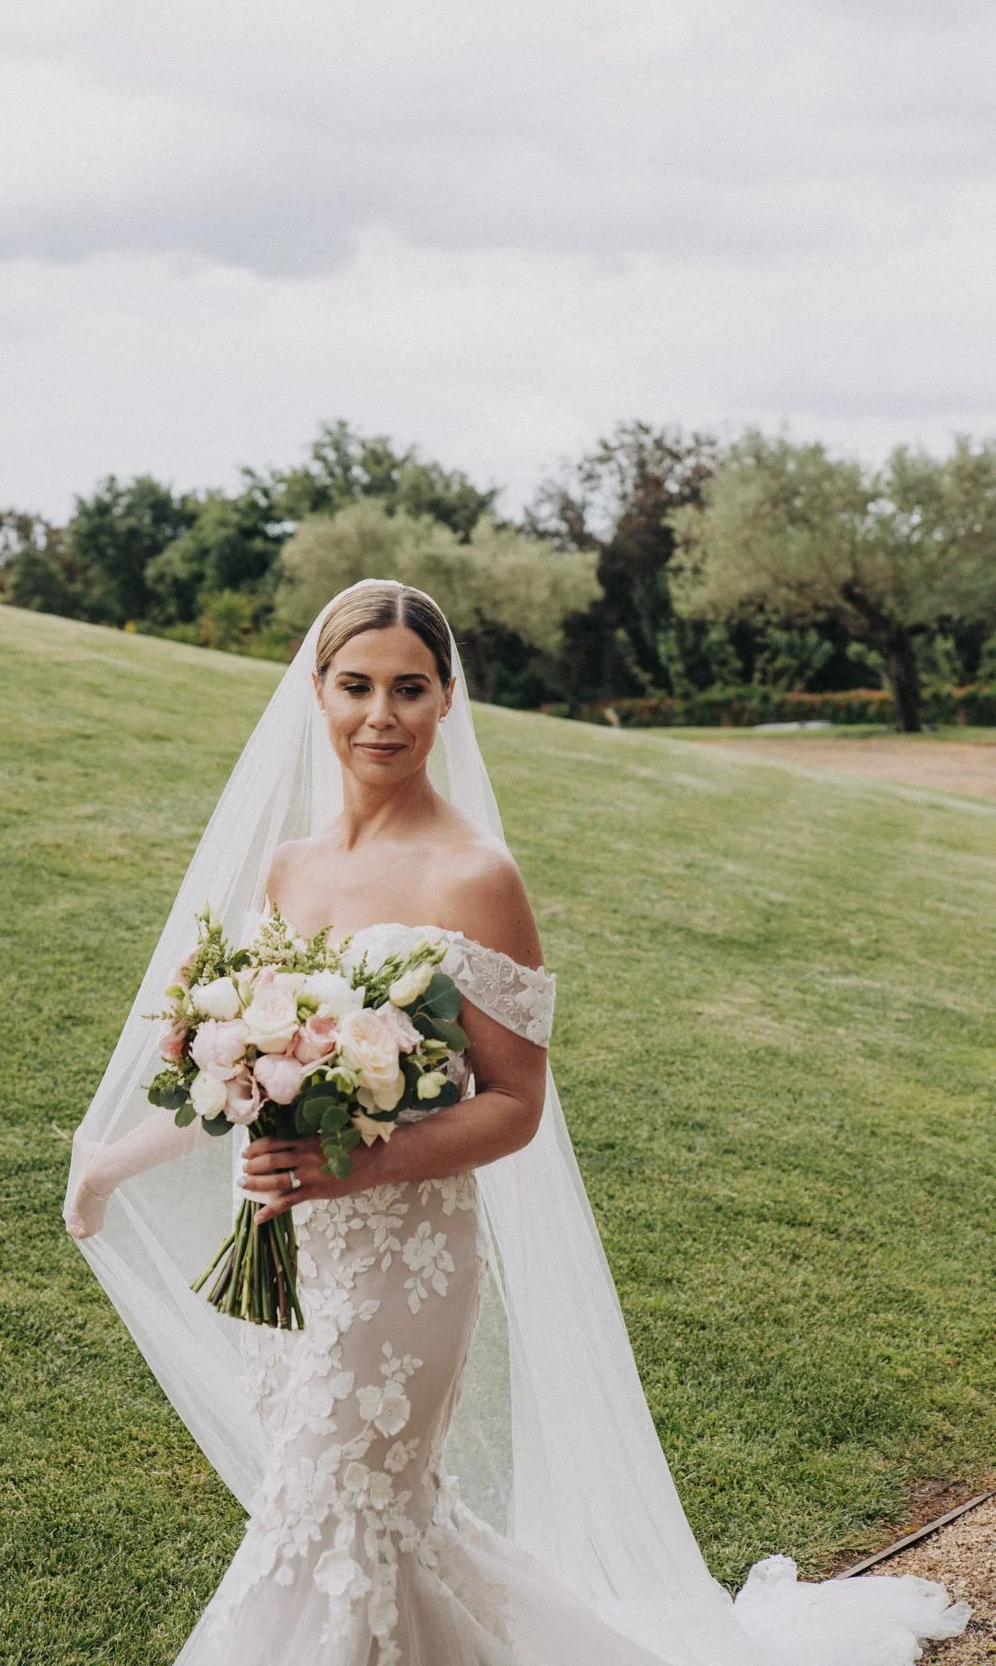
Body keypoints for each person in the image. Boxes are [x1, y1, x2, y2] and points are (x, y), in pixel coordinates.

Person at [64, 581, 968, 1666]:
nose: (380, 715)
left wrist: (351, 1168)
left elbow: (515, 1104)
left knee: (333, 1512)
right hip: (291, 1252)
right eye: (356, 686)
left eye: (410, 687)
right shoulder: (293, 865)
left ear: (450, 699)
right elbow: (241, 1067)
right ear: (318, 690)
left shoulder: (474, 874)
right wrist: (114, 1162)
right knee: (365, 1519)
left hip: (404, 1267)